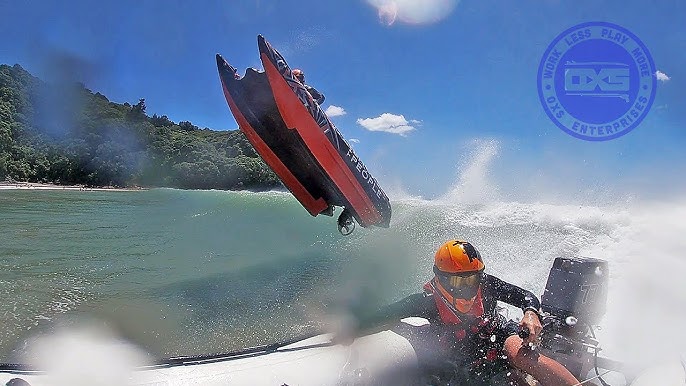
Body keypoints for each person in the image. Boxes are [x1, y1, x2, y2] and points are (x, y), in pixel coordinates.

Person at [355, 239, 581, 386]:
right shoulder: (427, 303)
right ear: (440, 278)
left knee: (518, 353)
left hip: (497, 336)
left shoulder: (487, 285)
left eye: (473, 279)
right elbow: (384, 315)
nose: (468, 288)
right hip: (462, 356)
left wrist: (530, 313)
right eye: (457, 281)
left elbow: (524, 296)